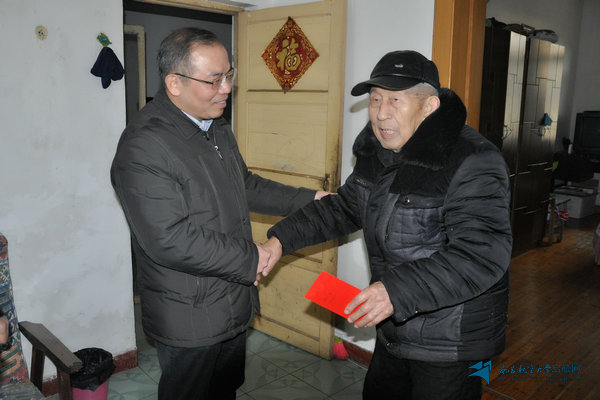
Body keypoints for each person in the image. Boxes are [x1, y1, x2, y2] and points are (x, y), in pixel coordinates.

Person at [260, 50, 513, 400]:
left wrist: (394, 291)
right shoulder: (378, 153)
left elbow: (481, 256)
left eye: (395, 100)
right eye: (375, 99)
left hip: (450, 341)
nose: (381, 113)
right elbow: (342, 209)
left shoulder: (473, 161)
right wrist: (280, 241)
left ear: (429, 106)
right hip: (396, 324)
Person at [110, 27, 328, 400]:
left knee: (225, 389)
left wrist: (311, 199)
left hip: (232, 298)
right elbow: (169, 238)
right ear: (174, 83)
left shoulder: (215, 126)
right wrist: (252, 257)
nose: (226, 88)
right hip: (189, 314)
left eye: (229, 75)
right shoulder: (144, 146)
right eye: (214, 80)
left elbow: (245, 184)